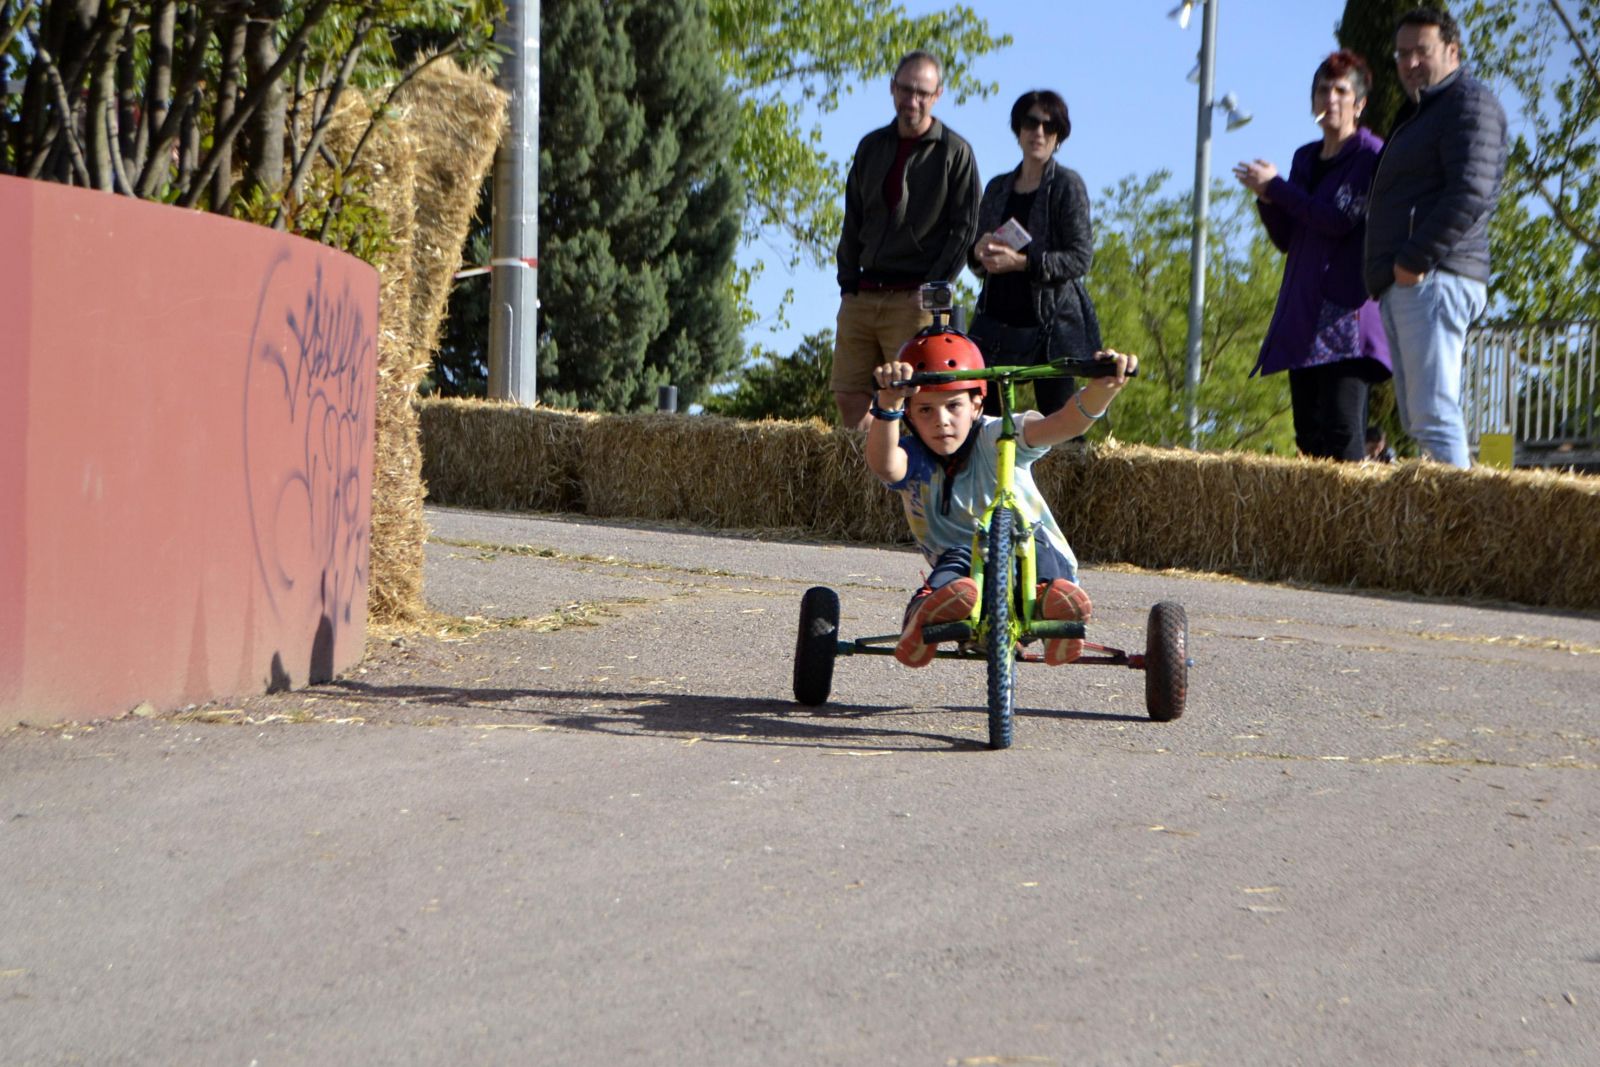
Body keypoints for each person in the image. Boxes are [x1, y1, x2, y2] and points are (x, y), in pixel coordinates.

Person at [864, 327, 1136, 668]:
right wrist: (886, 405)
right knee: (956, 569)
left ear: (978, 403)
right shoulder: (915, 455)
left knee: (1032, 549)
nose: (941, 422)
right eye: (925, 411)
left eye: (953, 406)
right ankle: (926, 614)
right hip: (965, 568)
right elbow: (885, 466)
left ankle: (1052, 604)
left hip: (1032, 556)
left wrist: (1101, 390)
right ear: (909, 414)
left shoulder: (999, 434)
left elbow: (1064, 424)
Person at [1363, 6, 1508, 468]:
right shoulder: (1427, 112)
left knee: (1434, 415)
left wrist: (1413, 261)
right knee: (1421, 420)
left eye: (1420, 52)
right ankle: (1446, 529)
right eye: (1401, 54)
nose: (1408, 64)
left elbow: (1471, 191)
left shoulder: (1468, 104)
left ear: (1452, 50)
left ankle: (1461, 533)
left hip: (1433, 279)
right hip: (1415, 282)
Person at [1233, 51, 1392, 462]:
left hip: (1346, 322)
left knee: (1342, 436)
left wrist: (1278, 189)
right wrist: (1267, 198)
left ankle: (1353, 525)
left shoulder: (1369, 155)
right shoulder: (1305, 157)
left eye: (1341, 91)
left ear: (1359, 104)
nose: (1331, 99)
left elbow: (1338, 219)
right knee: (1308, 440)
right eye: (1323, 90)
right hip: (1303, 318)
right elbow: (1290, 237)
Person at [833, 51, 981, 431]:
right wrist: (848, 282)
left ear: (937, 95)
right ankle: (868, 480)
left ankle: (906, 482)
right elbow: (853, 216)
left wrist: (933, 287)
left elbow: (965, 228)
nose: (911, 100)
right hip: (863, 292)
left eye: (921, 92)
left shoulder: (955, 151)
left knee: (917, 400)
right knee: (849, 395)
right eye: (904, 89)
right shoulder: (871, 146)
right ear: (892, 89)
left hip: (915, 298)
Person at [967, 90, 1102, 417]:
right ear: (1018, 129)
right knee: (982, 424)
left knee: (1061, 428)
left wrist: (1024, 262)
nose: (1038, 132)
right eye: (1031, 123)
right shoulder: (998, 187)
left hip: (1051, 327)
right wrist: (979, 252)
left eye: (1049, 125)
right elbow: (975, 261)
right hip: (995, 322)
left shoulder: (1067, 185)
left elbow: (1081, 258)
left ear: (1059, 136)